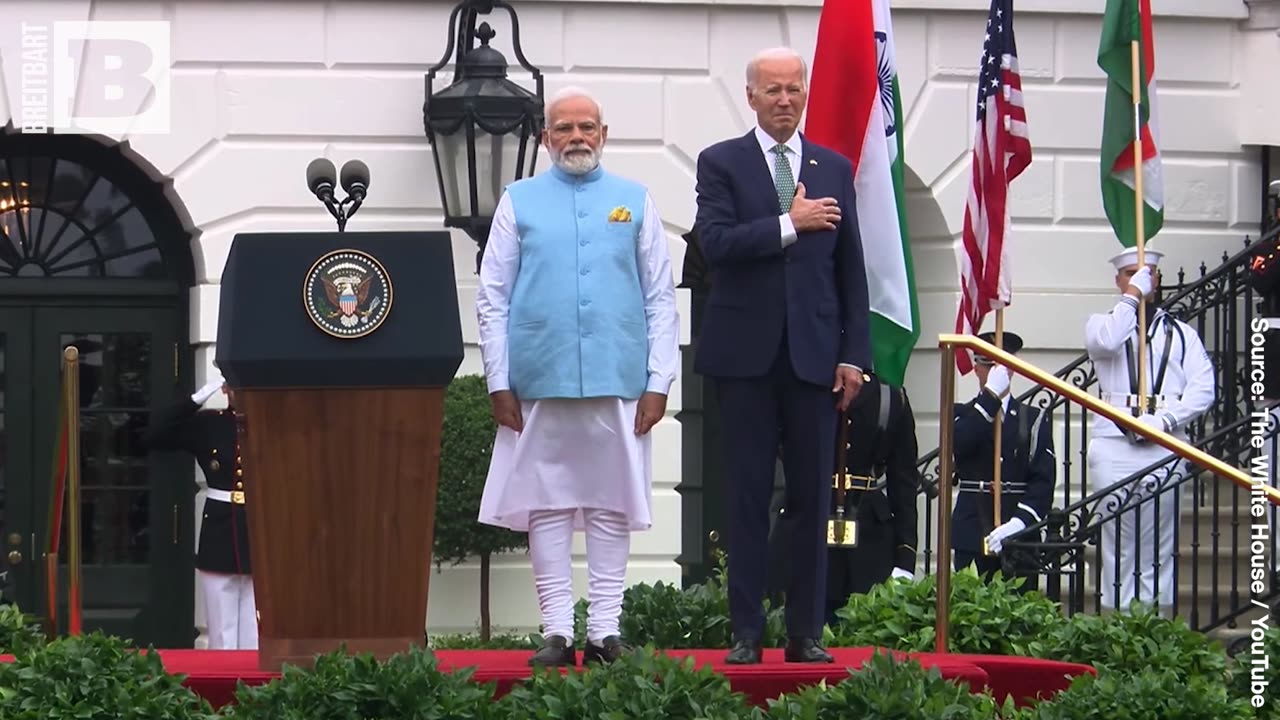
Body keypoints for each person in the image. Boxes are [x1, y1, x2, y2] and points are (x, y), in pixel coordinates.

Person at [475, 86, 679, 667]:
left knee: (612, 505)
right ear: (546, 139)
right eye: (563, 128)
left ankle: (605, 630)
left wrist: (659, 379)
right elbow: (493, 296)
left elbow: (661, 297)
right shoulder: (519, 200)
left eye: (586, 127)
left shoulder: (633, 199)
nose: (576, 138)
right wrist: (497, 380)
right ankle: (559, 631)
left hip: (619, 376)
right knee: (549, 504)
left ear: (604, 134)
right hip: (540, 377)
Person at [693, 46, 872, 665]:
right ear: (751, 96)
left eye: (794, 89)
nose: (785, 99)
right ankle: (746, 631)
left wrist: (855, 356)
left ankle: (806, 632)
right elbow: (714, 245)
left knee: (811, 502)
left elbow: (852, 271)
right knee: (744, 497)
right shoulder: (722, 164)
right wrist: (787, 223)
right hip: (744, 360)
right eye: (772, 90)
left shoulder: (833, 167)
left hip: (814, 362)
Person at [1084, 247, 1215, 612]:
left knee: (1159, 543)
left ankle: (1156, 626)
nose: (1139, 279)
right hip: (1114, 443)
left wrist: (1166, 421)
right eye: (1129, 273)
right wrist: (1131, 299)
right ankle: (1119, 624)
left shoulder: (1182, 334)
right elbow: (1107, 342)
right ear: (1118, 280)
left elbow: (1204, 389)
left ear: (1157, 279)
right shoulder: (1102, 323)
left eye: (1146, 274)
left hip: (1166, 441)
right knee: (1117, 542)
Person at [144, 371, 257, 650]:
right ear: (225, 390)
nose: (239, 393)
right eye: (233, 387)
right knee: (221, 628)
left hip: (259, 528)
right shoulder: (209, 424)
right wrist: (196, 399)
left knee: (256, 629)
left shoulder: (269, 425)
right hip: (220, 528)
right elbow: (155, 432)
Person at [951, 331, 1055, 587]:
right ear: (977, 369)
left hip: (1019, 531)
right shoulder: (961, 413)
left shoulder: (1033, 418)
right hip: (972, 527)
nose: (998, 371)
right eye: (989, 365)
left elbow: (1043, 480)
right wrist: (989, 400)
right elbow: (961, 443)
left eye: (1003, 364)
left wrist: (1019, 522)